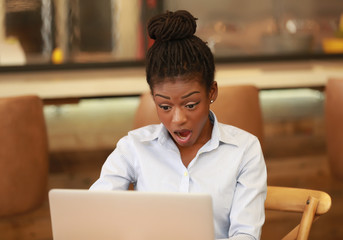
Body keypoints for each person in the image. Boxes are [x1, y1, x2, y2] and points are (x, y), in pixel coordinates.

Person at [90, 10, 267, 240]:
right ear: (153, 98)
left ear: (211, 92)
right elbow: (95, 212)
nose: (177, 119)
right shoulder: (134, 147)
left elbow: (245, 235)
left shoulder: (244, 150)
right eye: (164, 107)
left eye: (191, 104)